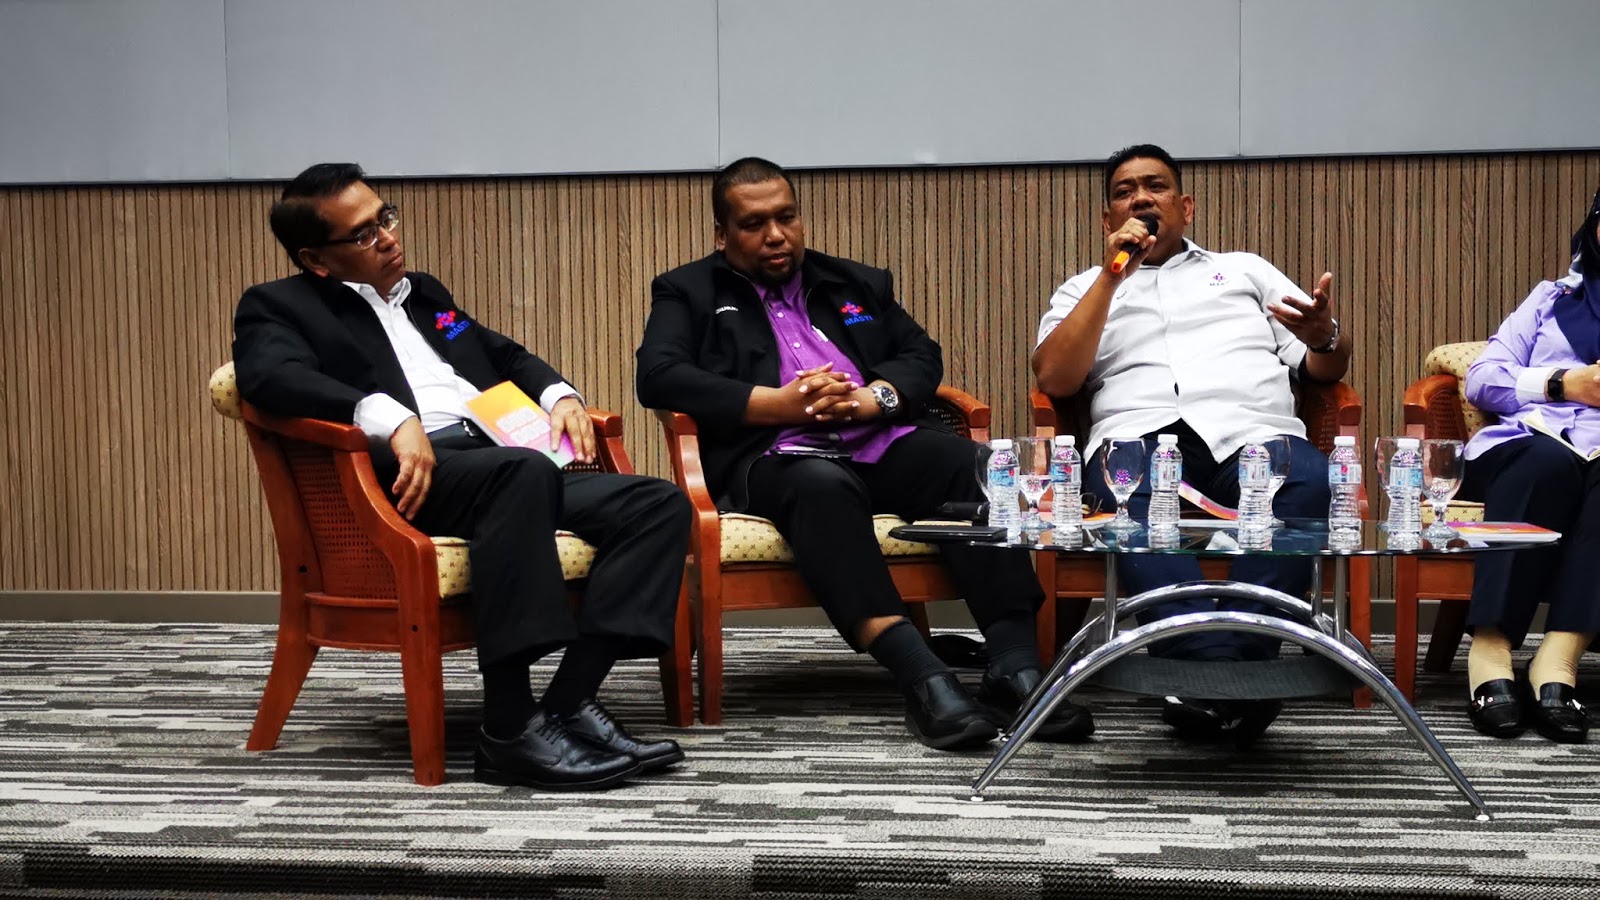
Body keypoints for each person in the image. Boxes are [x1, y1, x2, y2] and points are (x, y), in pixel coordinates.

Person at [233, 163, 692, 790]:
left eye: (385, 218)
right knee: (519, 473)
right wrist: (390, 417)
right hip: (413, 481)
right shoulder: (279, 307)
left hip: (501, 466)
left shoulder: (425, 298)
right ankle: (508, 729)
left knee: (658, 505)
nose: (388, 238)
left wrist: (559, 396)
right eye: (364, 234)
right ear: (315, 259)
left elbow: (498, 354)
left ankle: (568, 702)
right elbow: (269, 377)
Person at [636, 156, 1091, 750]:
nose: (776, 235)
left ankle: (1013, 663)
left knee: (974, 469)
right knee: (822, 487)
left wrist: (875, 398)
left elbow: (921, 355)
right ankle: (922, 676)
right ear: (723, 235)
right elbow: (660, 376)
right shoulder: (688, 291)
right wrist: (780, 405)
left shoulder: (854, 282)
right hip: (777, 456)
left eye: (786, 217)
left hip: (878, 441)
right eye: (753, 224)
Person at [1031, 144, 1354, 744]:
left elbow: (1323, 368)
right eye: (1124, 192)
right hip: (1137, 439)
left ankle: (1223, 664)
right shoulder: (1083, 288)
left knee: (1311, 484)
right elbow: (1055, 379)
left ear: (1186, 207)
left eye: (1155, 186)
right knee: (1127, 506)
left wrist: (1325, 337)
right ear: (1107, 220)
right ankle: (1219, 669)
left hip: (1252, 433)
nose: (1140, 198)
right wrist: (1111, 277)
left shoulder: (1245, 271)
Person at [1457, 186, 1600, 744]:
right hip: (1527, 443)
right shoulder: (1550, 298)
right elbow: (1482, 378)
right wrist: (1565, 383)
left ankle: (1557, 663)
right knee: (1547, 464)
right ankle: (1490, 652)